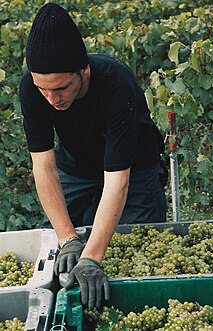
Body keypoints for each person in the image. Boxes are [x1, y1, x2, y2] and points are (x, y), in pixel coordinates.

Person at [19, 3, 167, 309]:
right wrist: (69, 238)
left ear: (84, 71)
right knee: (60, 253)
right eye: (43, 89)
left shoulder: (116, 83)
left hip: (133, 170)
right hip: (76, 167)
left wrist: (92, 257)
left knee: (134, 249)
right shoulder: (32, 89)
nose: (52, 99)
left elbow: (118, 181)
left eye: (61, 88)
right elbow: (44, 167)